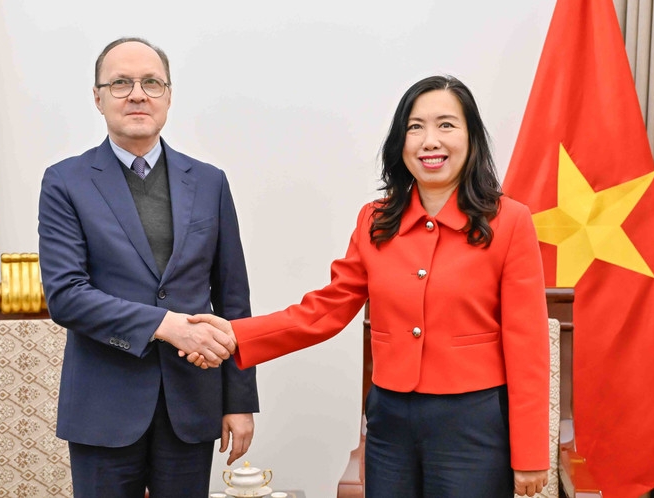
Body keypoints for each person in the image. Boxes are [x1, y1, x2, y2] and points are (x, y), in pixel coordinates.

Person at [188, 75, 550, 497]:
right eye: (415, 127)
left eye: (446, 125)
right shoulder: (376, 220)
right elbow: (326, 309)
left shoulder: (509, 221)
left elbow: (527, 345)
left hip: (472, 424)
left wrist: (529, 454)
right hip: (388, 422)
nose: (429, 140)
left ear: (471, 138)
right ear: (400, 141)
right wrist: (233, 334)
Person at [37, 37, 258, 498]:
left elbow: (233, 298)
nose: (138, 94)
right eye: (120, 83)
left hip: (192, 405)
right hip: (104, 407)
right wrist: (166, 325)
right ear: (97, 98)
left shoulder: (210, 182)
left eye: (151, 83)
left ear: (169, 96)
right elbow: (67, 296)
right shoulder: (65, 181)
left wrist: (239, 401)